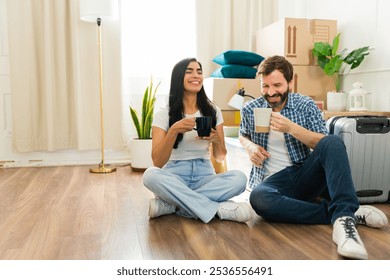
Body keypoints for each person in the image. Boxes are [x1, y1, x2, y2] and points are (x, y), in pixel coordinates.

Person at [239, 55, 388, 259]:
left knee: (333, 142)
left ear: (290, 82)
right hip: (271, 182)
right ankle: (345, 212)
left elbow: (323, 144)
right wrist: (249, 147)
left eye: (277, 85)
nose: (271, 92)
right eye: (265, 86)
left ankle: (343, 222)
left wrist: (290, 128)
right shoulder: (250, 108)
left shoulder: (305, 105)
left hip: (302, 172)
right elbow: (243, 134)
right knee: (258, 198)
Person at [143, 58, 252, 224]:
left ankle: (174, 205)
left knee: (240, 179)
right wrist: (173, 131)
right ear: (179, 77)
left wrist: (216, 140)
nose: (196, 75)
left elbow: (221, 157)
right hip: (175, 173)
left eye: (199, 71)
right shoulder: (164, 114)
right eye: (189, 71)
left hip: (205, 174)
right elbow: (157, 162)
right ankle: (217, 209)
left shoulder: (213, 110)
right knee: (150, 175)